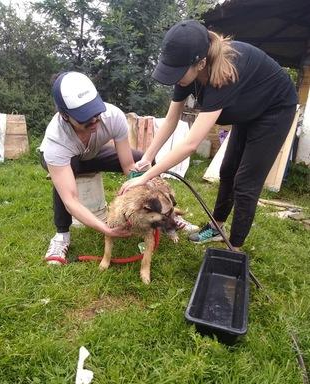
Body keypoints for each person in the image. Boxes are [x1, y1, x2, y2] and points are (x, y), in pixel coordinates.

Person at [120, 20, 298, 251]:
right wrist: (147, 157)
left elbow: (191, 144)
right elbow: (171, 119)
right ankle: (217, 226)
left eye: (177, 72)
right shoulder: (187, 71)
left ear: (201, 63)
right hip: (249, 111)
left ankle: (234, 249)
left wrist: (145, 177)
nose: (174, 77)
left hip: (275, 110)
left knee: (245, 183)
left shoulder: (223, 74)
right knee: (227, 170)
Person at [40, 71, 144, 264]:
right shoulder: (56, 140)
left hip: (91, 153)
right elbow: (71, 200)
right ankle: (61, 236)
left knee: (141, 160)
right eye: (85, 118)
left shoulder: (113, 116)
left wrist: (138, 193)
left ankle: (164, 213)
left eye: (96, 113)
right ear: (64, 115)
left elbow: (128, 165)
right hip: (62, 160)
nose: (95, 121)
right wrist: (106, 229)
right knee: (68, 173)